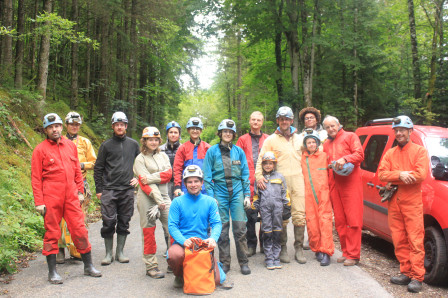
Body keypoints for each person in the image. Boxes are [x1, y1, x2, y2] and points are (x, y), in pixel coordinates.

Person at [31, 113, 101, 284]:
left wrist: (79, 191)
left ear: (61, 127)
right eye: (50, 127)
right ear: (46, 130)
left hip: (71, 195)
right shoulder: (40, 150)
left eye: (57, 126)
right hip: (51, 196)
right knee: (52, 233)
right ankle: (52, 272)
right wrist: (39, 202)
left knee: (79, 229)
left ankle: (88, 265)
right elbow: (35, 178)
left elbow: (77, 170)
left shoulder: (70, 146)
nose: (54, 129)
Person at [378, 116, 428, 293]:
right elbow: (381, 174)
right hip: (394, 202)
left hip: (412, 203)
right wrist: (399, 175)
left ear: (410, 131)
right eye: (396, 130)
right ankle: (405, 272)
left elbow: (421, 175)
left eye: (402, 130)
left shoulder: (420, 151)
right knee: (399, 239)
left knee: (415, 240)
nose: (398, 133)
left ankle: (417, 277)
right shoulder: (390, 153)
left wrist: (396, 177)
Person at [256, 106, 306, 264]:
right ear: (277, 121)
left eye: (287, 119)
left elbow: (313, 154)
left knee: (299, 214)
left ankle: (298, 248)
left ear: (292, 120)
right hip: (278, 183)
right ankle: (282, 248)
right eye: (281, 119)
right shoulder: (270, 140)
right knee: (281, 216)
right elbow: (261, 158)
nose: (284, 122)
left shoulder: (300, 138)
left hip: (298, 180)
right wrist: (259, 176)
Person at [203, 119, 251, 275]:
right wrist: (211, 196)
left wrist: (247, 195)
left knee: (240, 228)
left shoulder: (239, 152)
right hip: (219, 192)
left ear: (234, 134)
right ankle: (225, 262)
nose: (227, 134)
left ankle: (243, 262)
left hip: (237, 192)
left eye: (230, 132)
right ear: (220, 133)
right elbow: (207, 176)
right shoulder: (212, 152)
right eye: (225, 131)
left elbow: (245, 174)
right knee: (222, 230)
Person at [94, 111, 140, 266]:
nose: (119, 127)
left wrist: (138, 178)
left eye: (122, 125)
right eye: (117, 125)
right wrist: (99, 189)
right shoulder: (106, 145)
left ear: (126, 126)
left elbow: (141, 163)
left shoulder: (133, 144)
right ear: (113, 126)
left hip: (127, 190)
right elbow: (98, 168)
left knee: (124, 220)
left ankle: (120, 252)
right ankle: (108, 253)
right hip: (109, 189)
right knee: (108, 221)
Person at [167, 165, 222, 288]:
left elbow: (216, 223)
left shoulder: (210, 201)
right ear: (185, 184)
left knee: (217, 281)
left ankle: (214, 264)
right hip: (183, 243)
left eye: (196, 181)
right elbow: (172, 226)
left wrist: (213, 238)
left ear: (202, 182)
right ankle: (180, 275)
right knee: (174, 255)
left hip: (202, 244)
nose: (193, 184)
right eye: (190, 182)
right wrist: (183, 241)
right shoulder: (177, 202)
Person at [322, 115, 364, 266]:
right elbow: (325, 164)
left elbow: (359, 154)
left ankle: (353, 254)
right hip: (334, 183)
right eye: (327, 127)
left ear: (339, 124)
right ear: (325, 129)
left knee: (353, 219)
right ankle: (345, 251)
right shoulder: (326, 144)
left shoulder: (350, 136)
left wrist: (345, 159)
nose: (331, 129)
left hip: (350, 182)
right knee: (340, 220)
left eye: (333, 125)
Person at [56, 111, 97, 264]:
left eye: (77, 124)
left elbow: (94, 162)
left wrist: (80, 165)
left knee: (80, 218)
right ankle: (60, 249)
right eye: (71, 124)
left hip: (81, 183)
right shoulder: (59, 140)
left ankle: (77, 249)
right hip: (61, 184)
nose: (74, 126)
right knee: (59, 218)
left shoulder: (85, 142)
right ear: (66, 125)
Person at [133, 126, 173, 278]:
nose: (154, 142)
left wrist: (149, 176)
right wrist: (158, 200)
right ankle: (151, 266)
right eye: (150, 139)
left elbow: (168, 175)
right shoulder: (139, 159)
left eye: (156, 139)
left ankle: (173, 260)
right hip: (147, 199)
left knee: (172, 229)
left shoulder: (163, 156)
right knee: (148, 232)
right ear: (144, 141)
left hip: (165, 196)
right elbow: (145, 184)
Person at [236, 111, 269, 256]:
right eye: (253, 120)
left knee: (266, 214)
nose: (256, 122)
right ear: (249, 121)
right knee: (250, 214)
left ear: (262, 122)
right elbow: (236, 161)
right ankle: (251, 244)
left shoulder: (268, 139)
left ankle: (265, 243)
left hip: (266, 181)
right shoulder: (242, 140)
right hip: (248, 181)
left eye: (258, 120)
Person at [300, 129, 334, 266]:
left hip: (323, 195)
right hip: (308, 196)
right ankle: (317, 249)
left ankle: (326, 251)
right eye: (309, 142)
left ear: (318, 143)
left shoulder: (324, 156)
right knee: (312, 223)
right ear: (305, 144)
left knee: (325, 222)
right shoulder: (302, 158)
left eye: (314, 142)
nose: (312, 144)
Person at [252, 151, 289, 270]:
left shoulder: (280, 177)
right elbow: (256, 195)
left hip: (278, 209)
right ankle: (269, 258)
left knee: (277, 232)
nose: (268, 166)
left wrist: (287, 206)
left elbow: (285, 193)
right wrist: (254, 208)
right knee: (267, 232)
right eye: (265, 163)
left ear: (274, 164)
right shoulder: (260, 180)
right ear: (262, 165)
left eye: (270, 163)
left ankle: (276, 258)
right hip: (265, 209)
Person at [173, 117, 210, 197]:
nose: (195, 131)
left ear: (201, 131)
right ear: (188, 130)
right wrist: (177, 187)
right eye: (192, 128)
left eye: (197, 128)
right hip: (186, 187)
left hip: (205, 187)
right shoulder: (182, 148)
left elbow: (214, 169)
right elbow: (177, 169)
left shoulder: (207, 148)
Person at [160, 121, 182, 200]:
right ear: (167, 134)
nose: (173, 135)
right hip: (165, 183)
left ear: (179, 134)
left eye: (175, 132)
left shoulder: (183, 149)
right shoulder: (160, 149)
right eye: (171, 132)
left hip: (180, 183)